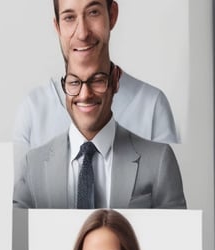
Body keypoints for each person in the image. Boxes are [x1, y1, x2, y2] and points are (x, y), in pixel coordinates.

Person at [12, 55, 186, 209]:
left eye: (97, 80)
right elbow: (17, 241)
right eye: (74, 82)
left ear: (115, 81)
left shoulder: (159, 161)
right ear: (64, 86)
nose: (85, 94)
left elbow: (177, 242)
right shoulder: (32, 165)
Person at [13, 0, 178, 156]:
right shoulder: (33, 112)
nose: (83, 33)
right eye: (69, 18)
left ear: (112, 15)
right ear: (58, 27)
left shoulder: (152, 107)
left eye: (93, 12)